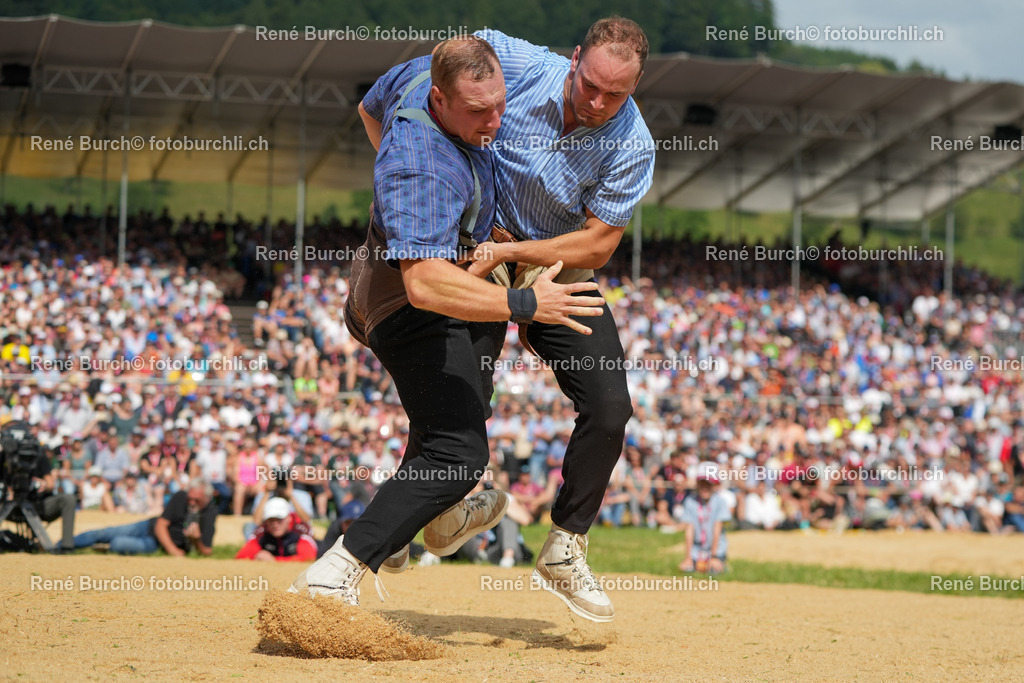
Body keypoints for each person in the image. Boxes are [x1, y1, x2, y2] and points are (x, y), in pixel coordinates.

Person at [290, 36, 604, 606]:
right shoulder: (421, 165)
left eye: (500, 104)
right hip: (407, 305)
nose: (496, 121)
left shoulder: (419, 73)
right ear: (439, 98)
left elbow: (368, 106)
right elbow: (426, 284)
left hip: (453, 280)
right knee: (457, 455)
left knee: (453, 426)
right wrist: (529, 306)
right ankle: (335, 572)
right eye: (479, 112)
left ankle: (430, 520)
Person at [465, 17, 655, 622]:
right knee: (461, 385)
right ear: (573, 59)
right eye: (590, 84)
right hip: (476, 248)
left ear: (634, 87)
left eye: (615, 94)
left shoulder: (634, 143)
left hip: (554, 264)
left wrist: (514, 253)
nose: (598, 103)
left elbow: (597, 246)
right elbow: (456, 53)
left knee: (610, 407)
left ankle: (566, 545)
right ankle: (440, 502)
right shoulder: (519, 64)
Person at [73, 478, 218, 556]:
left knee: (118, 544)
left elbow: (207, 551)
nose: (191, 502)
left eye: (196, 500)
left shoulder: (211, 512)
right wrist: (173, 551)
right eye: (190, 498)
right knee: (105, 533)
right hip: (148, 527)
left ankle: (102, 547)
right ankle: (64, 545)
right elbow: (161, 525)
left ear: (208, 498)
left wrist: (196, 540)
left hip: (154, 544)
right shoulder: (181, 496)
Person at [679, 465, 731, 574]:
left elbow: (717, 529)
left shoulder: (720, 502)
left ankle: (722, 563)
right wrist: (688, 557)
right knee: (687, 569)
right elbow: (689, 530)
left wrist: (713, 556)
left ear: (715, 485)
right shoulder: (690, 501)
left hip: (716, 550)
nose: (705, 487)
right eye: (702, 483)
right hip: (697, 550)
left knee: (713, 571)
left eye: (708, 484)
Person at [235, 497, 317, 562]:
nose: (275, 524)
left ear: (289, 518)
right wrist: (257, 556)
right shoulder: (262, 532)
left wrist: (274, 560)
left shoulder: (299, 531)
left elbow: (309, 557)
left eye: (279, 519)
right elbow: (241, 556)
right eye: (271, 519)